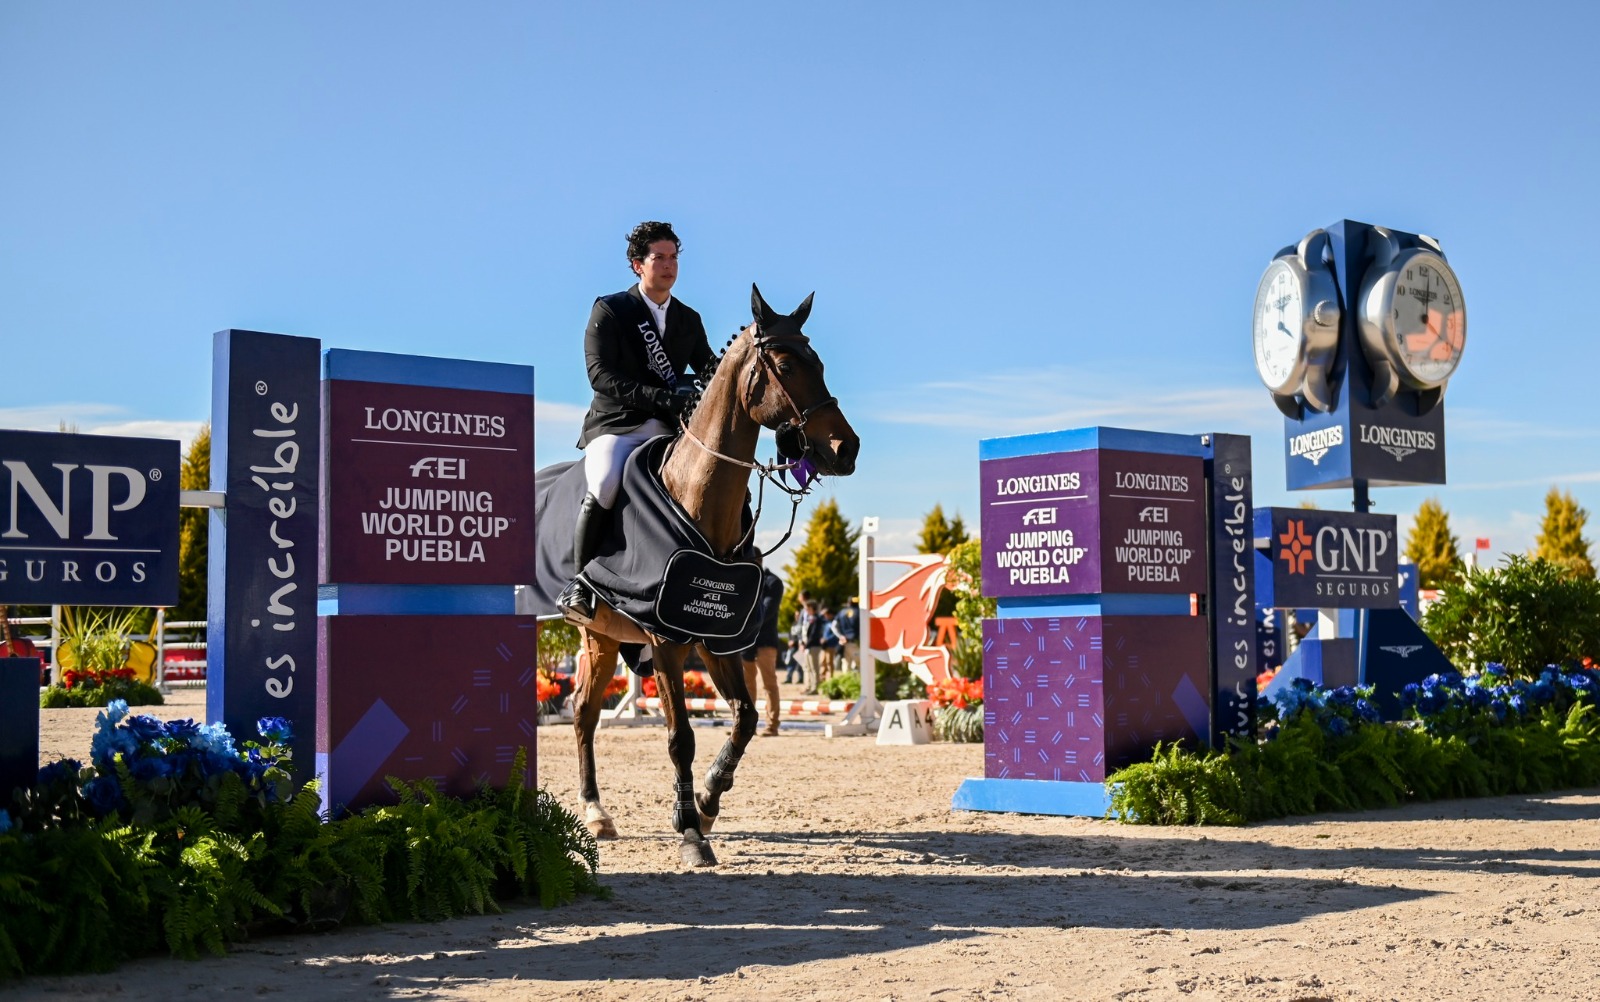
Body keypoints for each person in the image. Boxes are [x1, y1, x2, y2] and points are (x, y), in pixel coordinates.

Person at [559, 221, 718, 622]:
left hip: (667, 429)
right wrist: (660, 396)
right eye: (659, 258)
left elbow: (710, 375)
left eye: (674, 257)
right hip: (616, 425)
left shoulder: (688, 319)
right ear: (637, 265)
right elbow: (600, 376)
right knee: (606, 482)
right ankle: (581, 583)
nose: (669, 266)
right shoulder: (611, 309)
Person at [741, 569, 786, 736]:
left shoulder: (772, 582)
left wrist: (742, 621)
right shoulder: (743, 578)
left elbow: (767, 610)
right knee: (746, 685)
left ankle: (772, 725)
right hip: (746, 639)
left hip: (765, 639)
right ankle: (746, 725)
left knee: (769, 684)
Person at [801, 600, 824, 694]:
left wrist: (806, 644)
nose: (806, 610)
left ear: (811, 608)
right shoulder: (810, 618)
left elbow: (814, 634)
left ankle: (815, 687)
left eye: (807, 608)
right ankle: (810, 686)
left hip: (813, 646)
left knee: (814, 668)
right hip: (808, 646)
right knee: (809, 668)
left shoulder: (817, 619)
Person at [835, 596, 861, 676]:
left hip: (845, 643)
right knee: (859, 665)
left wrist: (840, 636)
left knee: (846, 665)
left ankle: (846, 685)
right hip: (856, 643)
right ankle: (858, 685)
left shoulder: (842, 612)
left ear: (848, 602)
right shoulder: (860, 612)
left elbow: (834, 626)